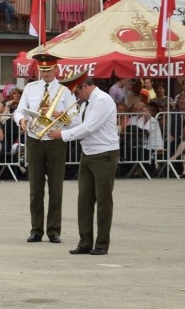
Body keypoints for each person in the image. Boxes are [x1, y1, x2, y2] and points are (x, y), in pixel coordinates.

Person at [49, 77, 119, 255]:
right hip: (88, 153)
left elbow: (89, 128)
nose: (76, 96)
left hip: (103, 153)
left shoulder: (102, 100)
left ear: (86, 86)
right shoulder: (87, 103)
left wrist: (62, 135)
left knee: (103, 200)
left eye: (77, 92)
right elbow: (78, 124)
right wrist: (59, 117)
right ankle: (85, 242)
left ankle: (102, 243)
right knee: (84, 200)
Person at [11, 55, 76, 244]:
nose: (45, 74)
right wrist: (21, 120)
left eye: (49, 70)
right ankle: (36, 229)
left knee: (56, 187)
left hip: (55, 139)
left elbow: (73, 116)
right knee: (35, 187)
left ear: (56, 70)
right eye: (43, 70)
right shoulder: (31, 88)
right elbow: (19, 110)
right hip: (34, 139)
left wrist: (55, 112)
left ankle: (54, 230)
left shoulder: (65, 90)